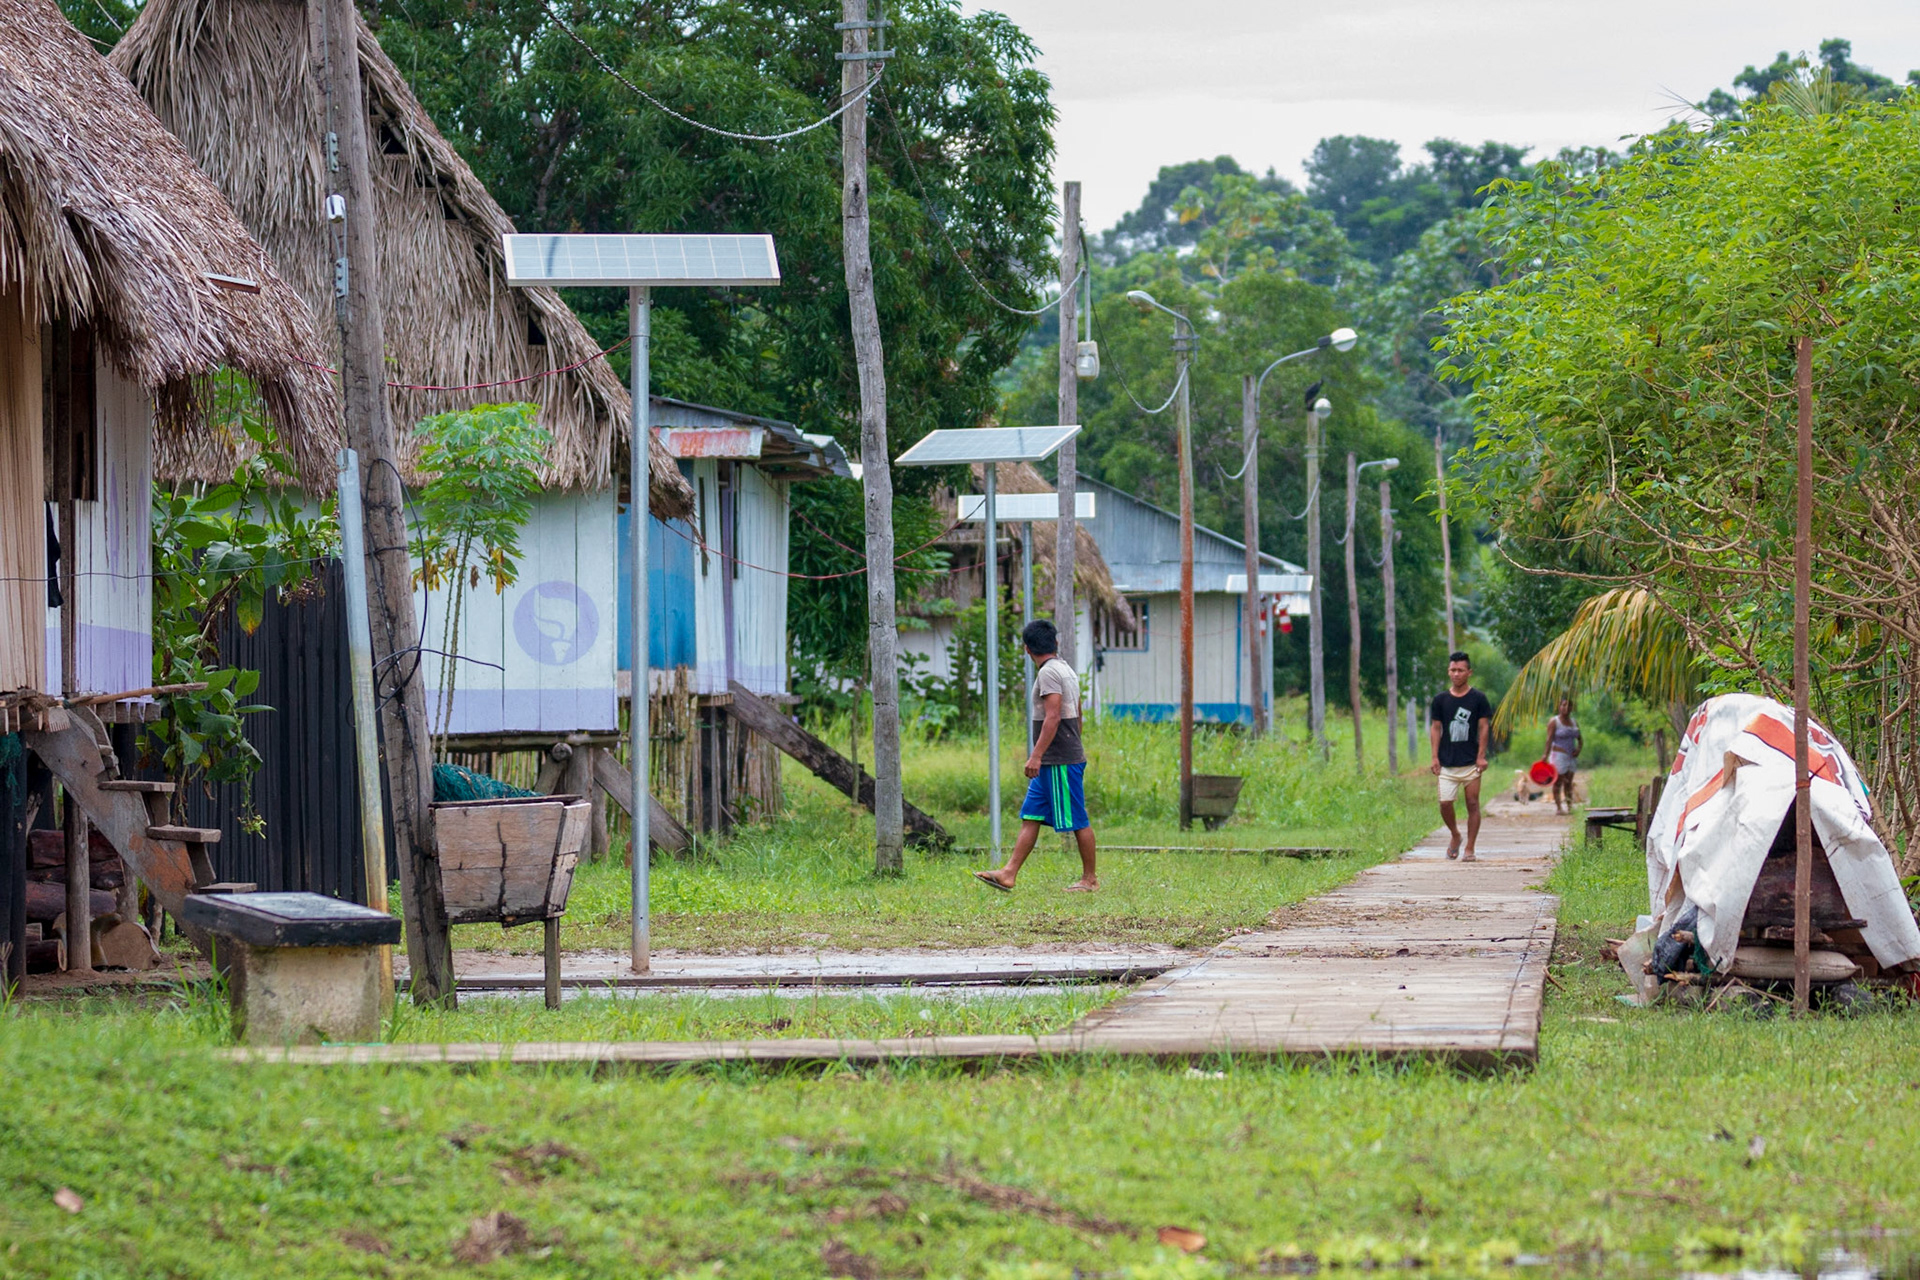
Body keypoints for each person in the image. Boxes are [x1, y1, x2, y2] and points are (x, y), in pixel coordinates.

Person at [972, 619, 1097, 893]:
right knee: (1031, 815)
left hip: (1059, 760)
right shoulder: (1065, 669)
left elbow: (1053, 716)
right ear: (1055, 643)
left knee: (1077, 819)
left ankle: (1090, 879)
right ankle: (1008, 873)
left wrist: (1036, 756)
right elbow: (1078, 714)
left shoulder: (1049, 674)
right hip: (1057, 758)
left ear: (1026, 649)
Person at [1429, 650, 1493, 862]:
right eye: (1452, 670)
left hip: (1471, 762)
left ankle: (1470, 848)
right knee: (1445, 803)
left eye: (1460, 670)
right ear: (1448, 672)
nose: (1456, 674)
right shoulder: (1440, 700)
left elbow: (1484, 728)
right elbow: (1436, 728)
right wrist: (1434, 757)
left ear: (1469, 672)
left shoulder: (1479, 699)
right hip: (1447, 762)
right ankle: (1456, 834)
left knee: (1472, 804)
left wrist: (1481, 756)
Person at [1544, 695, 1583, 815]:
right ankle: (1559, 807)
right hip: (1558, 755)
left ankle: (1570, 806)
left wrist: (1578, 749)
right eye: (1564, 705)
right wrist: (1545, 755)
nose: (1566, 707)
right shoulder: (1554, 721)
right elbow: (1549, 739)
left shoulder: (1573, 722)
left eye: (1569, 705)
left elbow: (1580, 739)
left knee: (1569, 782)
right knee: (1558, 781)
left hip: (1571, 756)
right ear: (1559, 707)